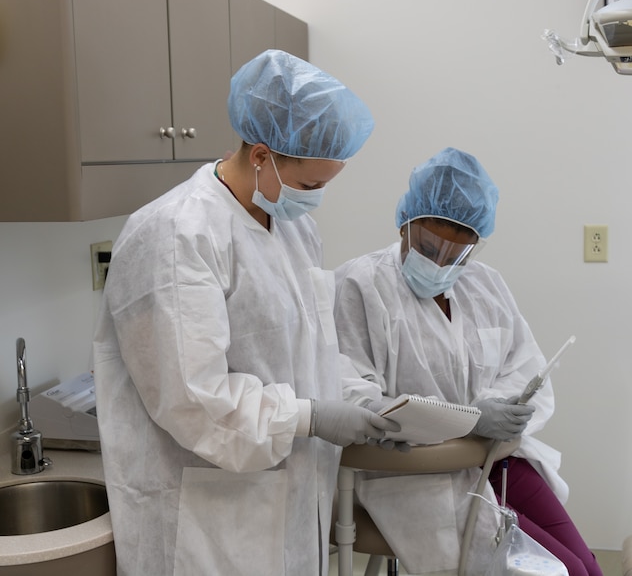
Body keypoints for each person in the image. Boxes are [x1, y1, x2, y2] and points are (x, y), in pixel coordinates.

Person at [92, 49, 405, 576]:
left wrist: (361, 399)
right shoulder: (176, 235)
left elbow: (310, 345)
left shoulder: (293, 226)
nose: (316, 200)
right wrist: (312, 416)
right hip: (207, 514)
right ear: (262, 154)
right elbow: (195, 397)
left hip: (288, 495)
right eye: (310, 186)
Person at [334, 147, 603, 576]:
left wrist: (496, 411)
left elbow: (525, 367)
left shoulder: (485, 285)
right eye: (427, 246)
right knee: (558, 573)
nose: (440, 262)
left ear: (476, 244)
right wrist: (469, 418)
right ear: (405, 221)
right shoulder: (359, 286)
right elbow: (353, 396)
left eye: (456, 254)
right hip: (414, 476)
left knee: (587, 568)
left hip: (498, 461)